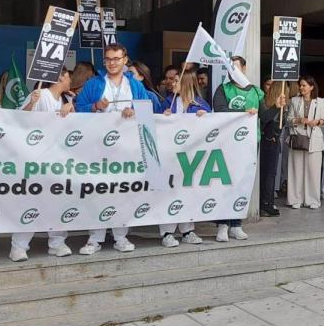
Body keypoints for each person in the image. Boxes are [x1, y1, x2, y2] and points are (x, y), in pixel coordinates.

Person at [74, 43, 152, 255]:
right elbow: (77, 109)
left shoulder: (135, 85)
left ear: (125, 60)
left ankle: (120, 236)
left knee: (123, 193)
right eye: (108, 59)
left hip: (126, 150)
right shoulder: (94, 83)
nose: (112, 63)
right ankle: (94, 238)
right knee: (97, 192)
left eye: (116, 59)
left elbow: (148, 107)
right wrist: (95, 107)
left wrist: (133, 109)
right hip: (98, 148)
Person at [10, 67, 74, 261]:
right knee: (32, 201)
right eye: (68, 76)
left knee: (58, 201)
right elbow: (19, 120)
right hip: (36, 159)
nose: (70, 80)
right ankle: (18, 247)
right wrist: (32, 103)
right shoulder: (40, 94)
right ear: (61, 77)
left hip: (58, 161)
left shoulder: (67, 100)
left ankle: (57, 243)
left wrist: (71, 108)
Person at [211, 56, 264, 241]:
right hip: (227, 142)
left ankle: (236, 223)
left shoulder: (256, 92)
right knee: (225, 182)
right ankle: (222, 224)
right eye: (228, 67)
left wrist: (277, 106)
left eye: (235, 67)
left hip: (249, 142)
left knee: (243, 182)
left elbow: (264, 117)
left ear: (244, 68)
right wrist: (243, 114)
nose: (231, 71)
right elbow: (220, 110)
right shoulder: (222, 89)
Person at [158, 69, 210, 246]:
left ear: (186, 83)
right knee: (170, 192)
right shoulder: (167, 102)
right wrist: (161, 117)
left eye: (176, 81)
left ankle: (187, 230)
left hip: (191, 158)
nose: (172, 84)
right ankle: (167, 233)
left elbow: (213, 128)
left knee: (189, 192)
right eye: (172, 81)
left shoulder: (200, 104)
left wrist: (207, 118)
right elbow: (154, 124)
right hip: (170, 156)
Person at [287, 77, 324, 210]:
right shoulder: (294, 101)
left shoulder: (320, 102)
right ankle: (295, 199)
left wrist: (317, 122)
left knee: (313, 171)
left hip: (314, 139)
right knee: (296, 169)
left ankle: (313, 200)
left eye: (304, 85)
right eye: (300, 85)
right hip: (298, 137)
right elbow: (288, 120)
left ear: (311, 87)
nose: (301, 88)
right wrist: (299, 120)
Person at [260, 81, 289, 216]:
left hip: (273, 141)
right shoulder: (266, 104)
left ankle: (267, 202)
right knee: (269, 174)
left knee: (269, 174)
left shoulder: (282, 107)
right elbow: (265, 120)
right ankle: (266, 204)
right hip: (268, 141)